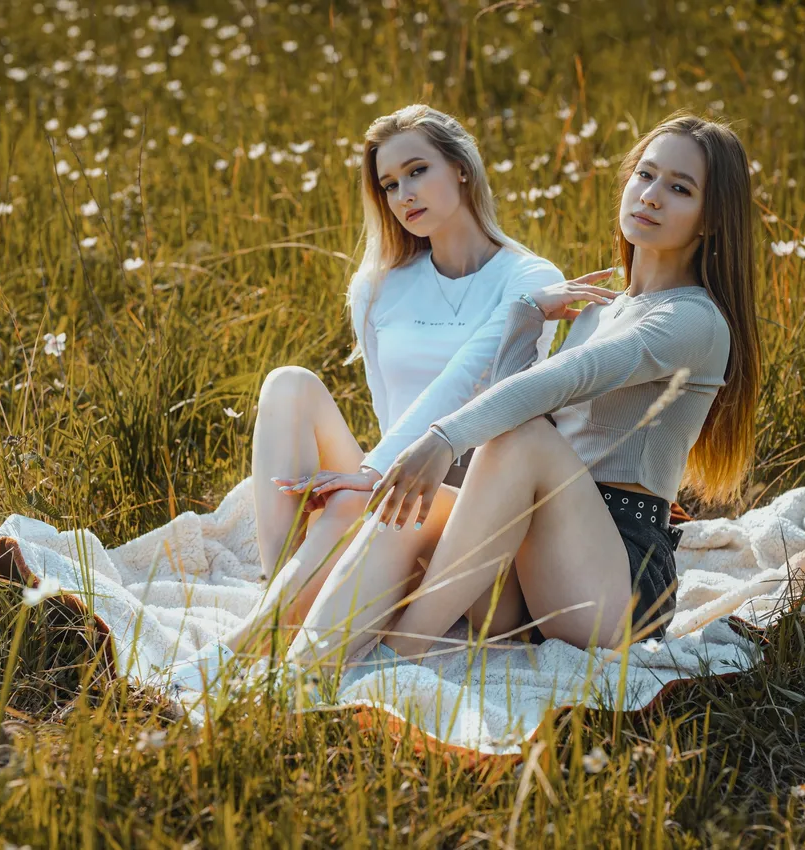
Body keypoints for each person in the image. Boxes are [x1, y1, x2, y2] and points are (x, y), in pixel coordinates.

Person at [286, 113, 762, 685]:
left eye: (679, 189)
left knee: (514, 442)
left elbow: (555, 389)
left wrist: (441, 438)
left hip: (620, 585)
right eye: (645, 175)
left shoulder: (694, 321)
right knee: (409, 508)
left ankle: (397, 660)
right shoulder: (599, 309)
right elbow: (524, 411)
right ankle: (298, 671)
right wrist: (526, 315)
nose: (652, 197)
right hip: (539, 565)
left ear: (712, 217)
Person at [161, 104, 603, 692]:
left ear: (462, 169)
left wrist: (370, 474)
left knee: (356, 503)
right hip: (395, 485)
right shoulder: (376, 286)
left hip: (475, 510)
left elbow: (466, 382)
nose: (403, 195)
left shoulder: (529, 279)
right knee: (288, 383)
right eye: (389, 184)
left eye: (417, 171)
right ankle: (288, 598)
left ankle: (249, 644)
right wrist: (370, 477)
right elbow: (386, 404)